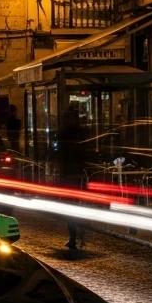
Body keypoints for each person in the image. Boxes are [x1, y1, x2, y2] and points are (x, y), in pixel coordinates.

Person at [56, 108, 88, 252]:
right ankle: (77, 234)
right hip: (77, 174)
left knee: (70, 206)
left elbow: (59, 157)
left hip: (68, 175)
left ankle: (73, 236)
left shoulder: (63, 134)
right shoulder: (81, 133)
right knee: (76, 205)